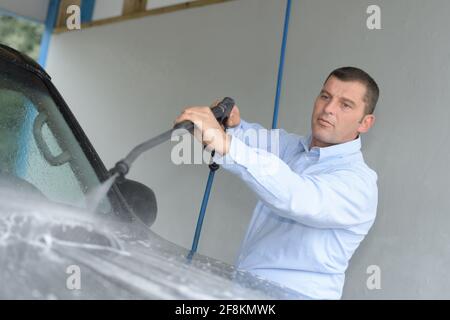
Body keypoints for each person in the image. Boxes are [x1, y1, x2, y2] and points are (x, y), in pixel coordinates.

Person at [174, 66, 379, 299]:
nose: (329, 109)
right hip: (246, 291)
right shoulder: (292, 147)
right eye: (325, 96)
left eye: (345, 105)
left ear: (365, 123)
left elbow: (296, 195)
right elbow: (249, 141)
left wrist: (226, 144)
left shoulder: (359, 184)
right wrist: (232, 126)